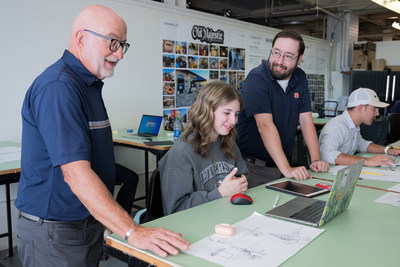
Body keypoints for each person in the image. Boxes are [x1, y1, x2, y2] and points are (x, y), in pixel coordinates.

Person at [15, 5, 189, 267]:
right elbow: (75, 173)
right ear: (82, 38)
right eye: (112, 43)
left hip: (84, 227)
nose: (119, 54)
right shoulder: (59, 87)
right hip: (56, 235)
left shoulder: (88, 85)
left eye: (123, 45)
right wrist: (132, 231)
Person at [236, 30, 329, 188]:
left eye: (287, 56)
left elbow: (306, 121)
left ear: (299, 59)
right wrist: (287, 169)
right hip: (254, 168)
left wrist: (315, 160)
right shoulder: (257, 79)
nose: (279, 61)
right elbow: (264, 125)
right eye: (276, 53)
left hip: (281, 166)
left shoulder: (300, 78)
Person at [159, 81, 248, 215]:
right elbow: (176, 209)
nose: (233, 121)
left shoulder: (229, 144)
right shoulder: (182, 152)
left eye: (236, 114)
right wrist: (220, 193)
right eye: (227, 113)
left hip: (225, 216)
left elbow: (243, 177)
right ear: (207, 111)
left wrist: (240, 184)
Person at [319, 88, 400, 166]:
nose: (377, 113)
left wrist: (387, 150)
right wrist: (367, 161)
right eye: (374, 109)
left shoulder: (354, 126)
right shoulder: (336, 126)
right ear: (360, 108)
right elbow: (327, 154)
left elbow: (361, 144)